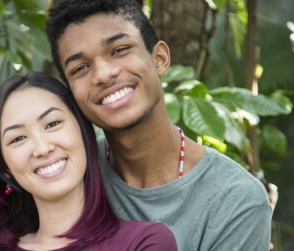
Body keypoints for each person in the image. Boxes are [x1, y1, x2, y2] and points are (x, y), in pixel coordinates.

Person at [45, 0, 272, 250]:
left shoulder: (234, 200)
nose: (102, 74)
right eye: (81, 67)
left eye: (119, 50)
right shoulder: (67, 175)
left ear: (160, 58)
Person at [0, 72, 177, 251]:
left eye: (52, 124)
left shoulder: (144, 242)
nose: (42, 148)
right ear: (5, 165)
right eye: (18, 138)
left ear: (82, 130)